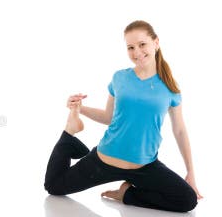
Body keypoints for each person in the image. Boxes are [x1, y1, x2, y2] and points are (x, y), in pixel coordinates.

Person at [44, 21, 201, 212]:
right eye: (130, 47)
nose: (137, 52)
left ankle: (125, 194)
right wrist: (80, 108)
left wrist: (190, 172)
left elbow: (180, 130)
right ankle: (69, 135)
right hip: (105, 160)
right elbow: (108, 117)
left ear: (156, 43)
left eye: (142, 44)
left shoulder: (170, 87)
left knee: (187, 200)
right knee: (54, 187)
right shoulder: (120, 78)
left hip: (144, 167)